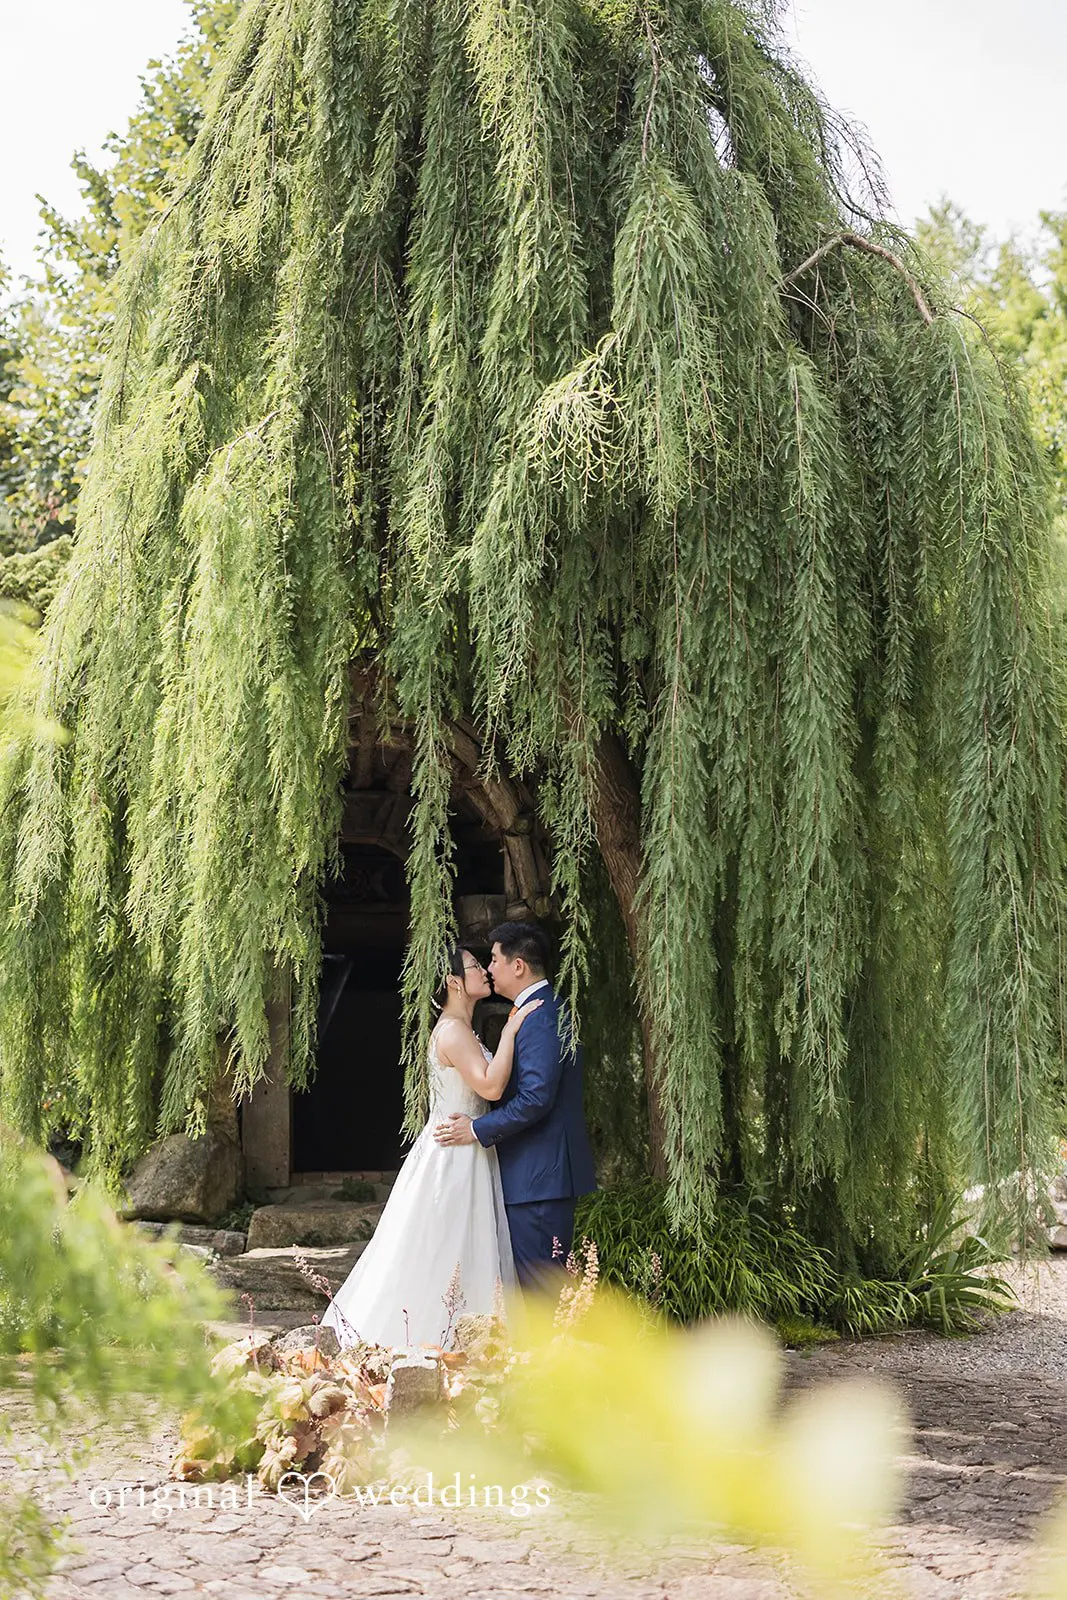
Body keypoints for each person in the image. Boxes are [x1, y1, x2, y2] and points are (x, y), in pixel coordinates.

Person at [320, 947, 541, 1350]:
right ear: (455, 981)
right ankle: (432, 1337)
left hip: (467, 1146)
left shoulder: (460, 1028)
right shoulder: (454, 1031)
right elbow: (491, 1086)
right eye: (475, 966)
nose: (485, 971)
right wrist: (510, 1032)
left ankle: (467, 1335)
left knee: (461, 1244)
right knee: (447, 1244)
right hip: (455, 1154)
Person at [434, 922, 597, 1291]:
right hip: (531, 1176)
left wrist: (476, 1129)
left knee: (542, 1293)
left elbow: (536, 1097)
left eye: (493, 960)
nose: (489, 969)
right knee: (532, 1290)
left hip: (538, 1177)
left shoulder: (540, 1016)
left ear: (518, 966)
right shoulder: (535, 1011)